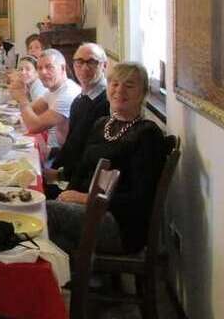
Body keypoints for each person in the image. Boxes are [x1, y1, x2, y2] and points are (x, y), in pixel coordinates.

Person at [46, 62, 166, 255]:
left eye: (129, 85)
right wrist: (65, 193)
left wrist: (85, 199)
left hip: (119, 222)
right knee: (32, 203)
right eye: (115, 84)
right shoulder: (102, 124)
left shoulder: (147, 135)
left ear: (143, 93)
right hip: (86, 209)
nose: (120, 90)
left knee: (45, 213)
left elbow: (139, 198)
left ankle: (78, 274)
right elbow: (80, 171)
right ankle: (75, 275)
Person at [45, 43, 110, 197]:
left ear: (104, 66)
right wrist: (55, 167)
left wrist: (60, 175)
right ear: (73, 65)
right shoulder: (80, 100)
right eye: (79, 62)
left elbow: (90, 155)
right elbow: (72, 144)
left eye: (92, 62)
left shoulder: (106, 103)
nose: (84, 68)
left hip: (83, 186)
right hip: (69, 175)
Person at [8, 49, 80, 158]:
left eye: (49, 67)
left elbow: (34, 126)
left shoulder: (67, 94)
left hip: (65, 157)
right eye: (40, 68)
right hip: (55, 150)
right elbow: (32, 110)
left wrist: (22, 98)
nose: (43, 72)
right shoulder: (53, 89)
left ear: (62, 68)